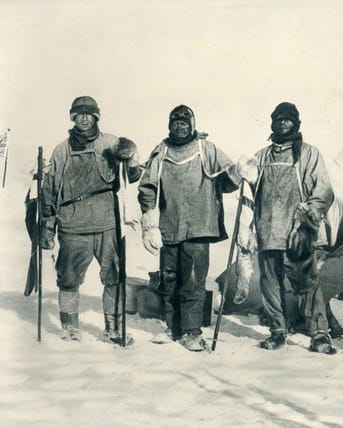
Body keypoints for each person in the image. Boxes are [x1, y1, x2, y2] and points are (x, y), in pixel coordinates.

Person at [138, 104, 240, 352]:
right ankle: (172, 327)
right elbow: (148, 188)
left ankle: (192, 332)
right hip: (169, 226)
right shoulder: (161, 152)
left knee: (193, 280)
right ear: (170, 125)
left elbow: (226, 180)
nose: (180, 126)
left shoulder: (206, 149)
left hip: (199, 225)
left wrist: (238, 172)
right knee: (169, 278)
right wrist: (150, 221)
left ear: (192, 125)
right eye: (176, 122)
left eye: (185, 122)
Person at [41, 96, 142, 345]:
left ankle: (113, 328)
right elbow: (49, 190)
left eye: (89, 114)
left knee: (113, 277)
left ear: (97, 117)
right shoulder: (62, 150)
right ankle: (71, 327)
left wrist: (131, 157)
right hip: (73, 225)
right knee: (69, 279)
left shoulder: (110, 143)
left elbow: (133, 175)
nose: (84, 119)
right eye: (79, 114)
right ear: (73, 118)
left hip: (107, 223)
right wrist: (47, 223)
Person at [238, 102, 336, 354]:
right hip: (268, 230)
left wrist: (308, 216)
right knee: (270, 283)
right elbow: (248, 193)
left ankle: (319, 333)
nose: (283, 123)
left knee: (306, 284)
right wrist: (242, 173)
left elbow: (323, 190)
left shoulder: (309, 154)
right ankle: (277, 331)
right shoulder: (260, 156)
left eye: (288, 119)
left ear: (296, 123)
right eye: (278, 119)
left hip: (297, 234)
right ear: (272, 123)